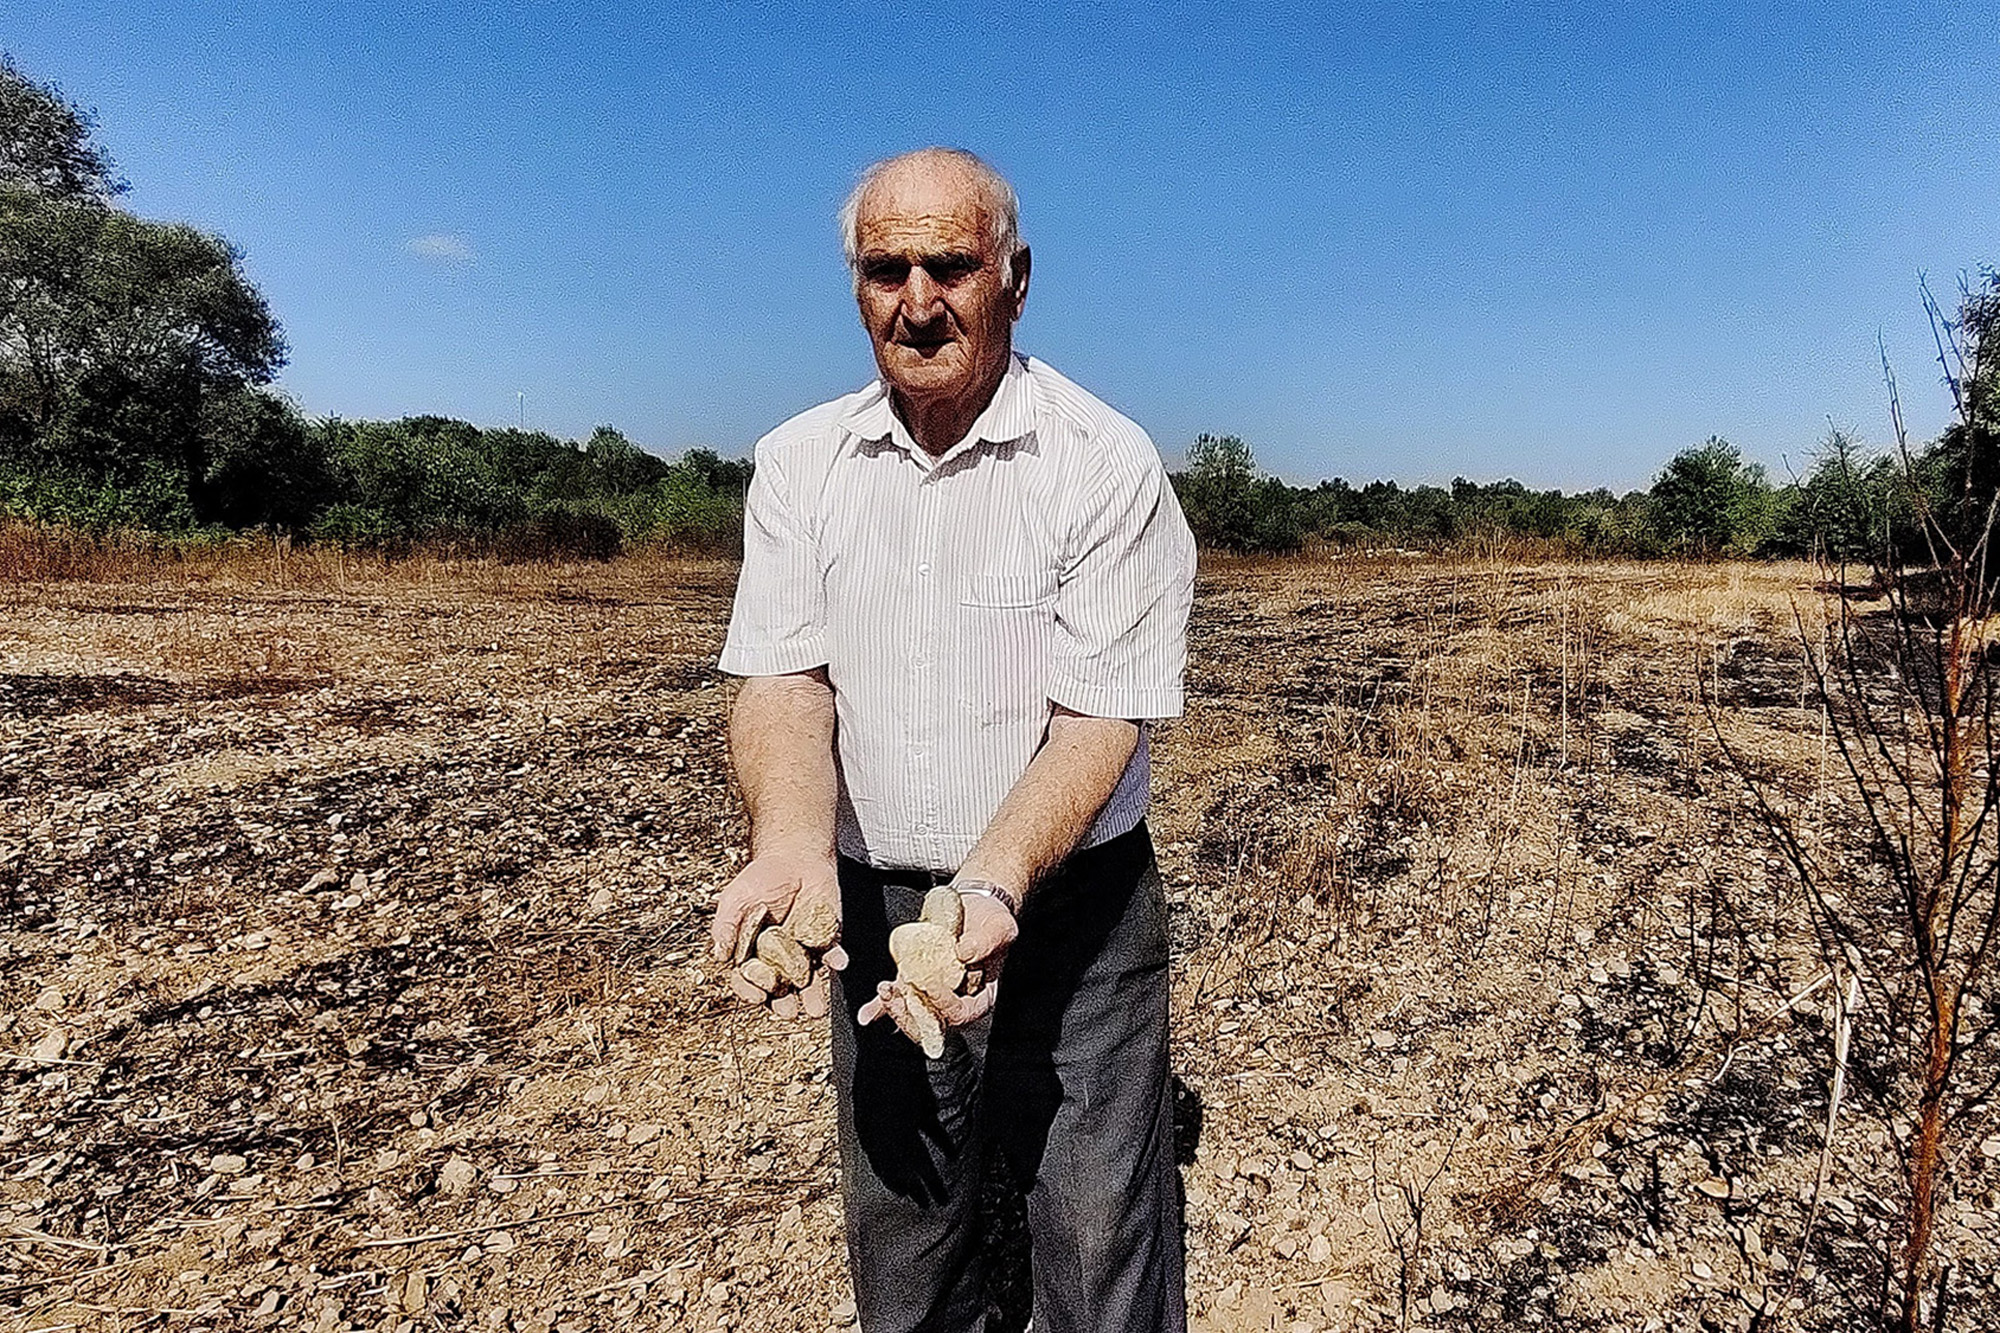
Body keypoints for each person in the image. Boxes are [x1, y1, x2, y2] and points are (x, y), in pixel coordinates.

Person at [710, 146, 1196, 1333]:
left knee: (1096, 1238)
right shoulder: (800, 463)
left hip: (1075, 909)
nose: (916, 300)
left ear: (1014, 279)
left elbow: (1099, 721)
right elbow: (782, 678)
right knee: (906, 1235)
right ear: (855, 287)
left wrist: (991, 884)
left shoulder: (1101, 462)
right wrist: (788, 846)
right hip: (877, 914)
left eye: (949, 265)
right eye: (886, 268)